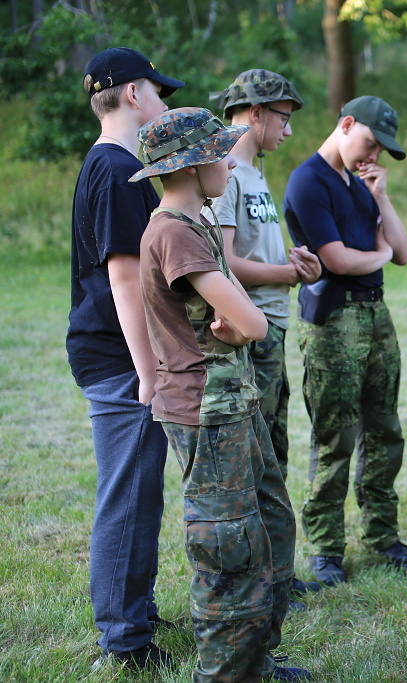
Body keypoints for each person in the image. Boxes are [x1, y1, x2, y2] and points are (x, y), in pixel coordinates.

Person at [132, 107, 309, 682]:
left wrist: (238, 321)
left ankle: (256, 656)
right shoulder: (174, 232)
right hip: (206, 411)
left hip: (235, 400)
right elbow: (251, 324)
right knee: (226, 550)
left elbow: (234, 314)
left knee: (273, 525)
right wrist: (242, 322)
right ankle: (224, 672)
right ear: (191, 165)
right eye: (219, 152)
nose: (230, 161)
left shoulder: (199, 220)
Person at [67, 46, 183, 672]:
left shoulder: (116, 165)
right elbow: (123, 277)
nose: (163, 102)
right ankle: (123, 638)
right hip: (118, 357)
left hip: (123, 354)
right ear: (132, 95)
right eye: (158, 91)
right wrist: (149, 371)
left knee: (142, 492)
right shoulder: (115, 168)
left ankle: (133, 610)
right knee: (127, 494)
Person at [283, 95, 407, 586]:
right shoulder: (308, 180)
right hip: (331, 320)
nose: (374, 157)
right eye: (370, 143)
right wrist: (380, 254)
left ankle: (383, 536)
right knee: (335, 437)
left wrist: (382, 198)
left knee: (385, 430)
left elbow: (403, 252)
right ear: (345, 125)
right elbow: (337, 261)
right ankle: (326, 549)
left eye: (383, 151)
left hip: (375, 316)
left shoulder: (361, 183)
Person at [204, 69, 322, 601]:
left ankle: (277, 575)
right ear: (255, 113)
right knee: (261, 460)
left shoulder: (253, 174)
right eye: (283, 118)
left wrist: (290, 258)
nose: (288, 131)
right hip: (255, 334)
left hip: (273, 327)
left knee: (274, 452)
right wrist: (286, 275)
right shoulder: (227, 172)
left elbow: (253, 252)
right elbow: (224, 264)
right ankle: (267, 581)